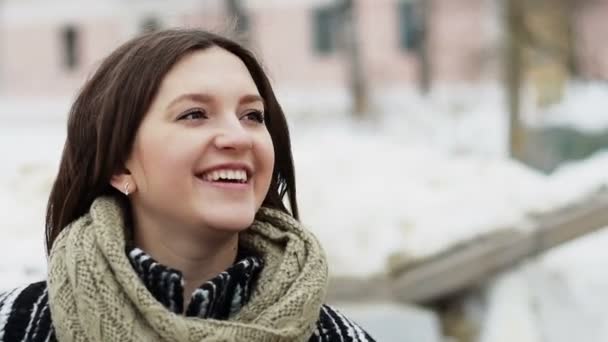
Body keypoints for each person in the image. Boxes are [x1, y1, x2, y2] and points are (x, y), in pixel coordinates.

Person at [0, 29, 375, 341]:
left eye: (252, 116)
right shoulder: (16, 325)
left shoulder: (340, 337)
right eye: (194, 114)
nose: (238, 138)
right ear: (117, 163)